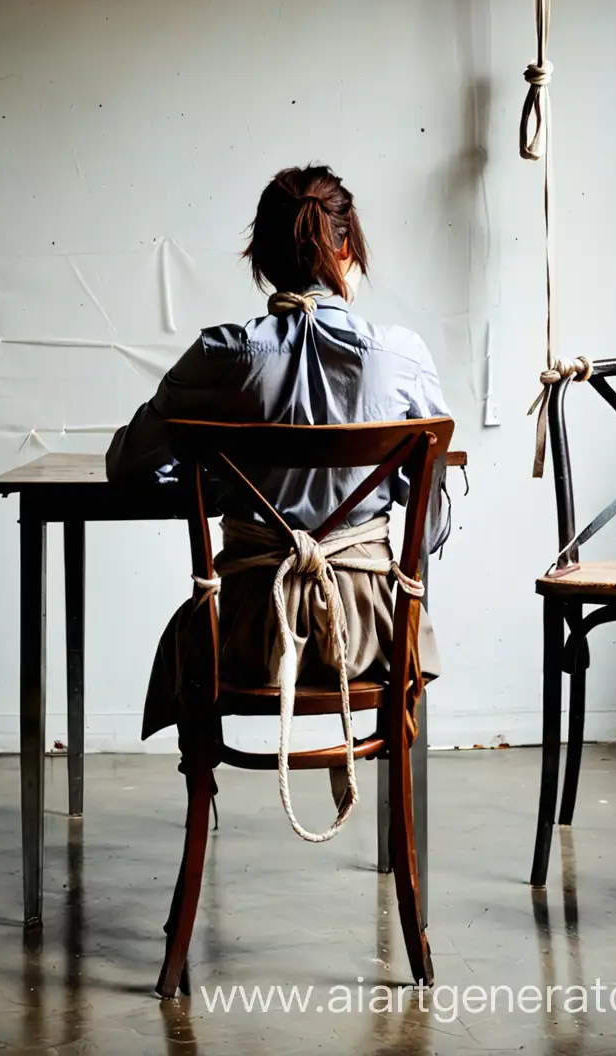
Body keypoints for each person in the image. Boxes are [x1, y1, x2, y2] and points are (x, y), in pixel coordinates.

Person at [107, 163, 452, 839]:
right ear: (347, 248)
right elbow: (431, 528)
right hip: (370, 642)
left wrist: (216, 486)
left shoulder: (221, 357)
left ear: (259, 257)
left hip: (245, 639)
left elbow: (129, 465)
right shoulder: (400, 357)